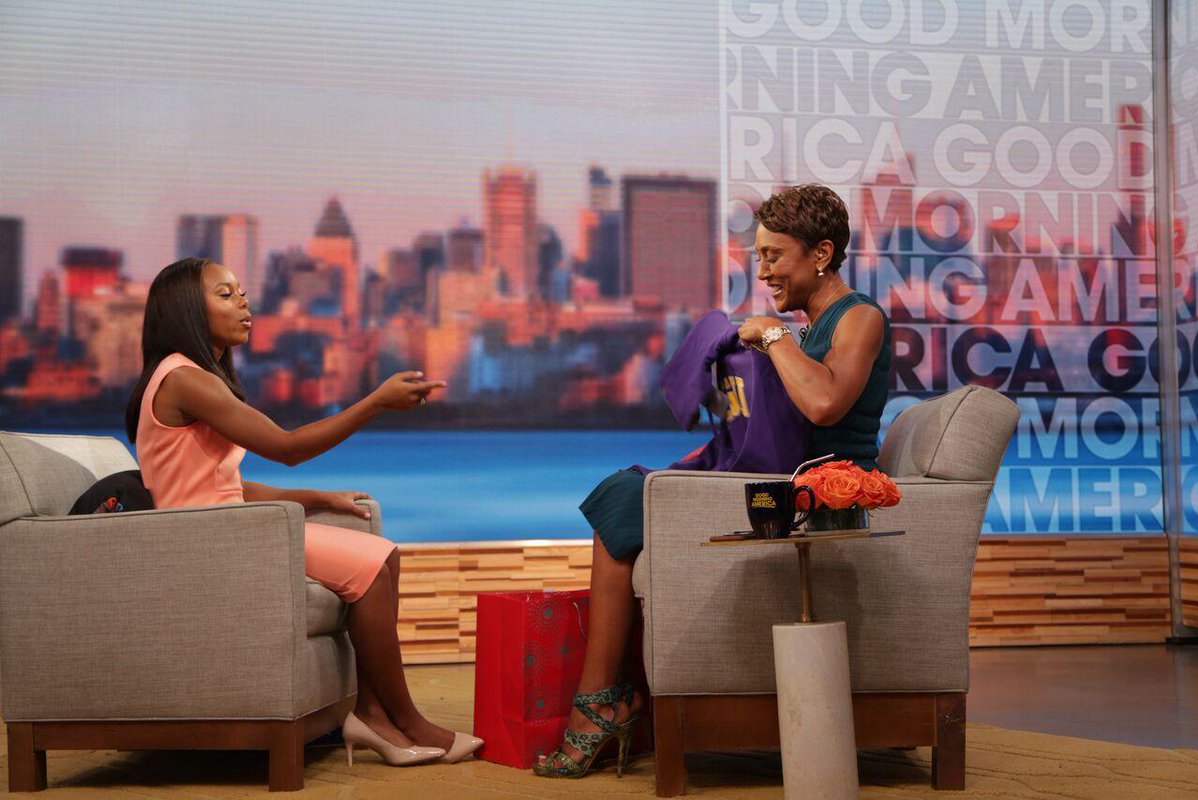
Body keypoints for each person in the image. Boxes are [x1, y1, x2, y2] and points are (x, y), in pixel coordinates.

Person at [534, 184, 890, 778]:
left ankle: (599, 707)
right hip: (782, 483)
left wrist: (772, 336)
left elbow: (825, 404)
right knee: (629, 491)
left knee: (626, 501)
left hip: (823, 496)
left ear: (822, 253)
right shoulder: (807, 327)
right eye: (759, 256)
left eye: (776, 254)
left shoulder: (860, 317)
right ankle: (610, 700)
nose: (764, 269)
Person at [124, 257, 483, 767]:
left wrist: (318, 498)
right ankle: (408, 720)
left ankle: (376, 715)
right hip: (208, 542)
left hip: (224, 528)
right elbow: (287, 447)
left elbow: (225, 485)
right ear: (185, 309)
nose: (244, 302)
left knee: (384, 556)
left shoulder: (190, 377)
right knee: (374, 563)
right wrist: (376, 403)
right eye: (225, 294)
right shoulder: (185, 379)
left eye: (241, 291)